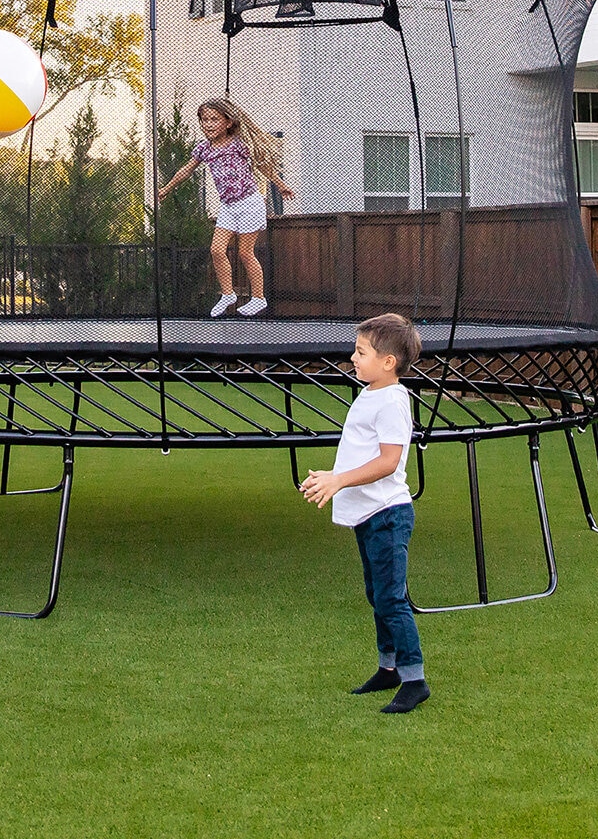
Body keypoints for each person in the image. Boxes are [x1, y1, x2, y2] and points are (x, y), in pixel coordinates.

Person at [300, 313, 430, 714]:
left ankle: (414, 679)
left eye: (360, 352)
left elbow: (389, 461)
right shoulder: (372, 392)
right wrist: (333, 476)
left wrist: (338, 481)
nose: (353, 358)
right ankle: (388, 668)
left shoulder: (392, 400)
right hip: (369, 516)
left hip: (388, 515)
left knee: (391, 599)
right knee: (378, 594)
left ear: (388, 361)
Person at [157, 97, 293, 317]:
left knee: (245, 253)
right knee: (217, 250)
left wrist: (281, 185)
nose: (208, 124)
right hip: (228, 206)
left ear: (228, 122)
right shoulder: (204, 149)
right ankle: (228, 294)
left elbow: (262, 166)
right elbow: (186, 170)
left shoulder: (239, 144)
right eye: (204, 120)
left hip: (250, 203)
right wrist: (166, 188)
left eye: (214, 119)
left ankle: (258, 298)